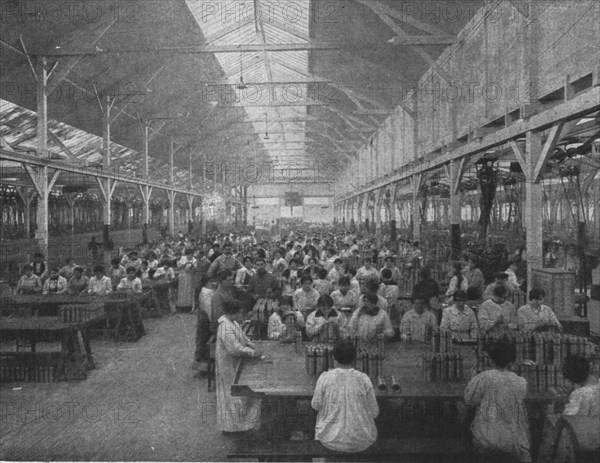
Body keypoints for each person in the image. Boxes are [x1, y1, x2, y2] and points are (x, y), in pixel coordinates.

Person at [464, 340, 531, 462]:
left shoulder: (483, 378)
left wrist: (472, 377)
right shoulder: (521, 382)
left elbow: (469, 400)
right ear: (512, 361)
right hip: (513, 441)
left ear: (490, 359)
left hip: (486, 440)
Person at [311, 340, 379, 453]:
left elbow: (315, 405)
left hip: (330, 441)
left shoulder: (325, 377)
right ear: (355, 359)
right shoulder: (363, 379)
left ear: (334, 358)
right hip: (362, 441)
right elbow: (374, 412)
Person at [215, 301, 262, 432]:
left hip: (235, 363)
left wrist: (252, 345)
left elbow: (243, 337)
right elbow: (234, 348)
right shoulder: (225, 327)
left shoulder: (233, 322)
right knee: (232, 394)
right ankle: (233, 427)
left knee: (239, 395)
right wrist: (252, 352)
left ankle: (243, 423)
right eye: (239, 312)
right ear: (231, 312)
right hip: (228, 364)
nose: (241, 315)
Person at [194, 275, 218, 373]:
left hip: (204, 319)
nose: (213, 283)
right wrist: (213, 322)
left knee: (203, 340)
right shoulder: (206, 293)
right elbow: (209, 309)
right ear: (205, 283)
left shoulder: (209, 291)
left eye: (214, 281)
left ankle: (204, 365)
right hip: (206, 320)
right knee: (204, 341)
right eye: (210, 281)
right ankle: (204, 367)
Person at [176, 248, 197, 312]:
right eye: (188, 255)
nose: (190, 256)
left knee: (189, 291)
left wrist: (192, 267)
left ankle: (189, 307)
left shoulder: (194, 260)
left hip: (190, 277)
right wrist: (184, 264)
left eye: (191, 255)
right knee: (182, 292)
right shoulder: (182, 259)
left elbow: (195, 269)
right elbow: (178, 268)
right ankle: (181, 307)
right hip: (183, 276)